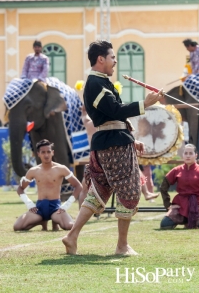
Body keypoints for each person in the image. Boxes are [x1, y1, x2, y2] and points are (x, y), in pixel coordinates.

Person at [61, 40, 162, 255]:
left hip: (110, 142)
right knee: (130, 190)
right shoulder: (96, 83)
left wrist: (129, 138)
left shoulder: (100, 83)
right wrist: (145, 104)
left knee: (99, 191)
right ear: (101, 59)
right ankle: (122, 246)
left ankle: (72, 236)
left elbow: (110, 117)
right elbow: (115, 110)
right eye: (112, 57)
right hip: (114, 147)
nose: (115, 61)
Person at [14, 139, 82, 231]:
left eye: (48, 152)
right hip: (39, 208)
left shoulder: (61, 169)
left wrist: (67, 205)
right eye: (43, 152)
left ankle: (57, 220)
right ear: (38, 154)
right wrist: (29, 204)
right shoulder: (33, 171)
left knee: (69, 226)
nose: (46, 155)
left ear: (52, 152)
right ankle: (41, 220)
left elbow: (78, 186)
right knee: (17, 227)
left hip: (55, 207)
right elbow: (20, 189)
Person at [159, 144, 199, 229]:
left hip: (197, 205)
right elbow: (163, 187)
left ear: (196, 155)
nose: (188, 156)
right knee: (165, 225)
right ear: (183, 155)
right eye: (186, 153)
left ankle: (195, 221)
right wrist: (168, 205)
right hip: (180, 205)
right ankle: (183, 220)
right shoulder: (176, 170)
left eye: (191, 153)